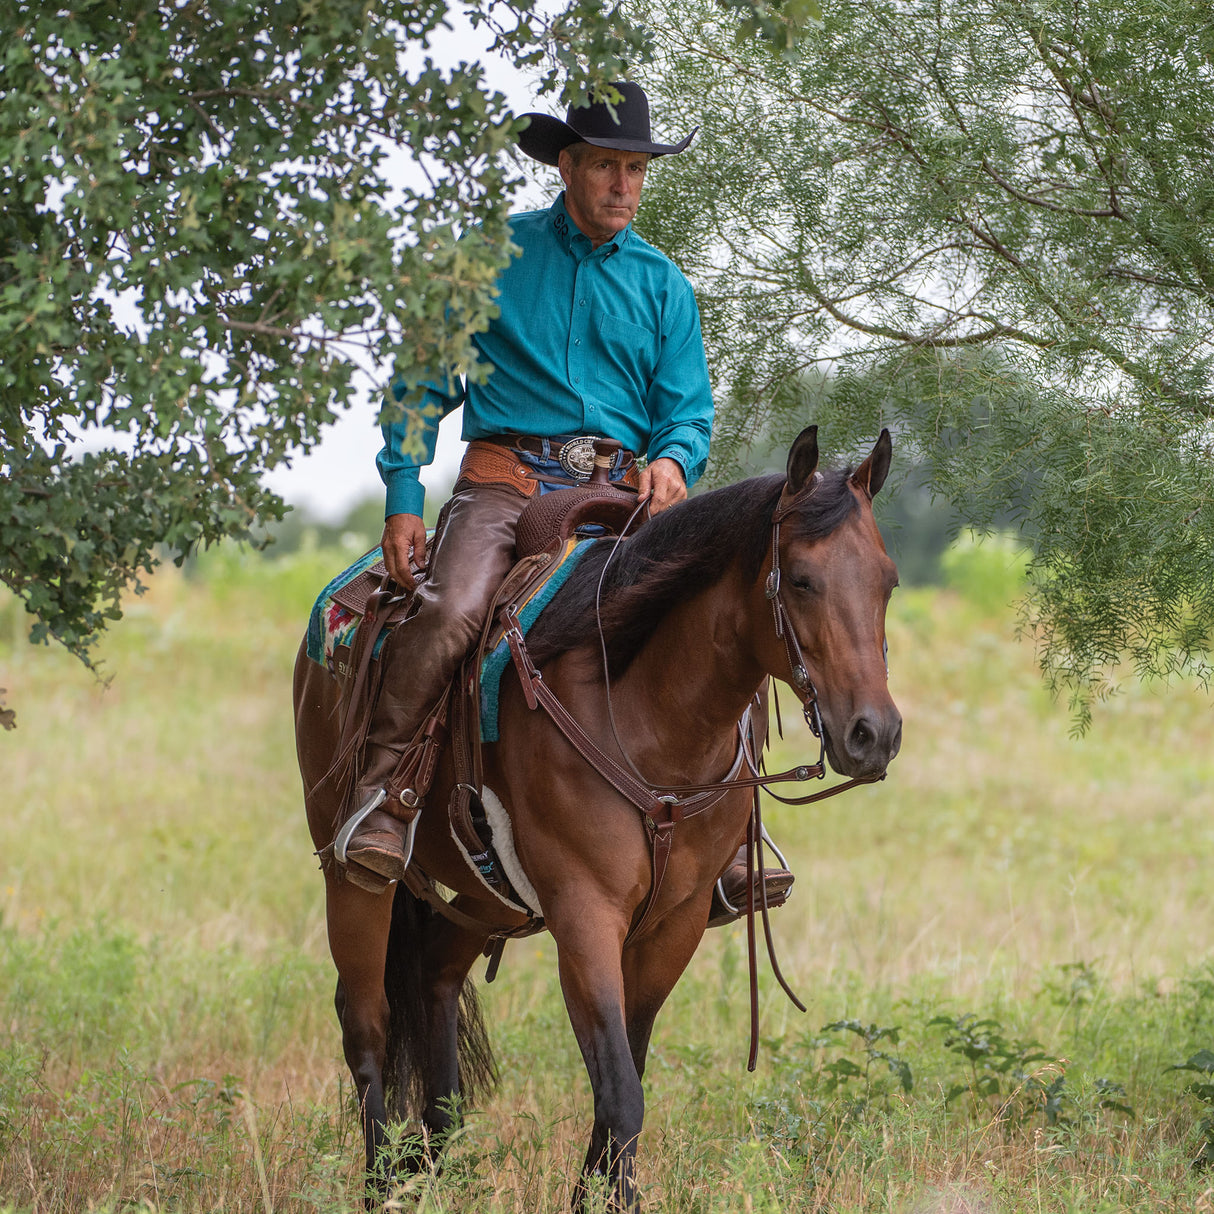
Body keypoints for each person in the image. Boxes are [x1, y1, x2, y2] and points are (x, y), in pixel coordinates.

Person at [334, 82, 793, 919]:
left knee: (725, 618)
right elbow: (416, 389)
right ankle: (385, 795)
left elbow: (686, 410)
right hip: (505, 490)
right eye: (608, 166)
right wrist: (405, 496)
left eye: (637, 169)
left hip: (622, 500)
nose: (625, 184)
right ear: (569, 166)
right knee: (449, 612)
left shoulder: (663, 286)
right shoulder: (487, 262)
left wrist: (673, 461)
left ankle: (731, 833)